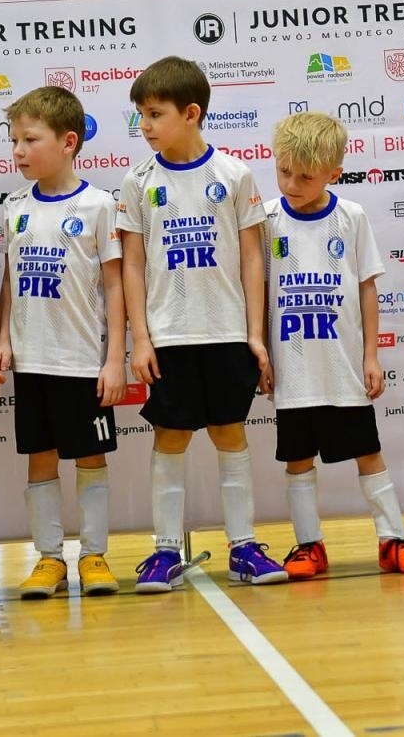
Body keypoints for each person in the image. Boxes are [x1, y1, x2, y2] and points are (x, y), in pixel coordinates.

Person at [116, 56, 289, 591]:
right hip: (170, 337)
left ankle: (243, 546)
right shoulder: (138, 181)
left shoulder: (234, 175)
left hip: (225, 334)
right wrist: (141, 338)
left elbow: (254, 258)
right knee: (170, 436)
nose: (144, 125)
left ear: (191, 114)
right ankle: (165, 550)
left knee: (230, 434)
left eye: (154, 114)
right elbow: (133, 264)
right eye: (140, 115)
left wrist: (254, 335)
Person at [263, 111, 404, 579]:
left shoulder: (351, 217)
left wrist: (372, 356)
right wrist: (260, 350)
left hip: (344, 367)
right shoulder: (266, 221)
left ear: (334, 174)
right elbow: (257, 292)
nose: (292, 183)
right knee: (298, 459)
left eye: (305, 176)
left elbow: (365, 288)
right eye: (283, 171)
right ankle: (307, 546)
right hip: (293, 367)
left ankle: (393, 537)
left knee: (368, 452)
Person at [0, 86, 126, 600]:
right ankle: (48, 559)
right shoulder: (14, 207)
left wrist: (115, 359)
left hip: (82, 361)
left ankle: (94, 555)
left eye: (30, 139)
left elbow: (114, 285)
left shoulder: (99, 206)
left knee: (89, 457)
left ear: (69, 142)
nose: (18, 151)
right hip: (32, 362)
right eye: (14, 140)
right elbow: (8, 280)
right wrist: (3, 339)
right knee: (40, 457)